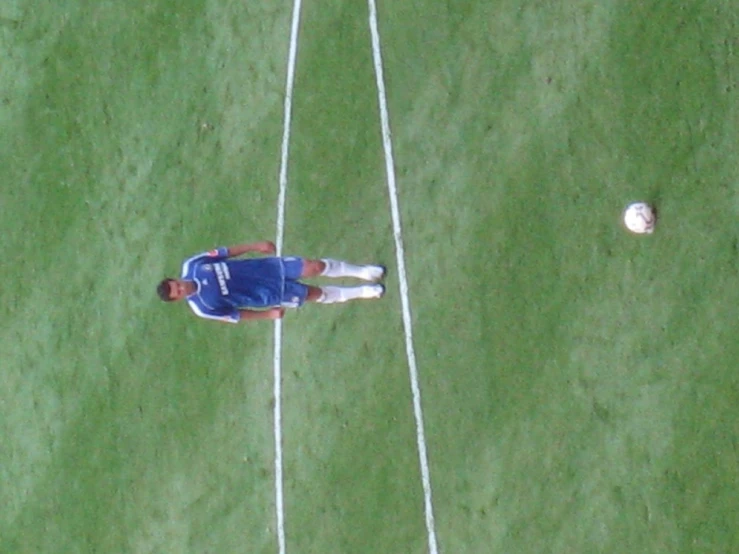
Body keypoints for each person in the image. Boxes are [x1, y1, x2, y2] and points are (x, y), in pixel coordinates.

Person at [156, 240, 386, 323]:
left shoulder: (193, 265)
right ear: (178, 299)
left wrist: (255, 246)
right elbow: (237, 314)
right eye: (177, 292)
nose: (180, 287)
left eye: (176, 284)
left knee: (313, 266)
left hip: (267, 267)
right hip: (269, 293)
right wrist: (267, 315)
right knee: (315, 294)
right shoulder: (203, 308)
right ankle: (364, 291)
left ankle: (363, 272)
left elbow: (225, 252)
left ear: (175, 279)